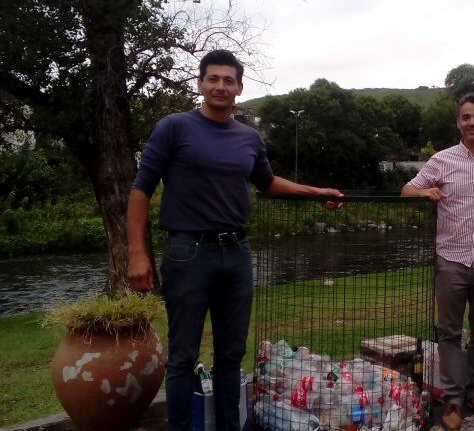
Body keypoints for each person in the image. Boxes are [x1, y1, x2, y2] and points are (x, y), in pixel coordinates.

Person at [126, 50, 342, 431]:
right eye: (213, 79)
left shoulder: (249, 137)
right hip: (188, 253)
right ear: (201, 84)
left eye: (229, 80)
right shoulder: (174, 127)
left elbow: (268, 183)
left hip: (237, 254)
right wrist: (137, 254)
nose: (221, 86)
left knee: (231, 355)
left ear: (240, 87)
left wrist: (314, 190)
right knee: (182, 356)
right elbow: (140, 189)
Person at [401, 93, 474, 431]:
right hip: (451, 259)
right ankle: (453, 400)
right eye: (466, 117)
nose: (472, 122)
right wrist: (425, 192)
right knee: (449, 332)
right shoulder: (441, 161)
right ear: (458, 122)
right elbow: (407, 190)